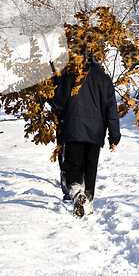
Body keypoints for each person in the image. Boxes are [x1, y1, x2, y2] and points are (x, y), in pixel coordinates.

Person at [53, 55, 121, 218]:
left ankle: (76, 193)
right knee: (91, 167)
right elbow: (111, 110)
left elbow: (58, 101)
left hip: (73, 129)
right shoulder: (104, 79)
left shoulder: (71, 75)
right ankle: (88, 203)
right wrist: (114, 136)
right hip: (95, 132)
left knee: (73, 165)